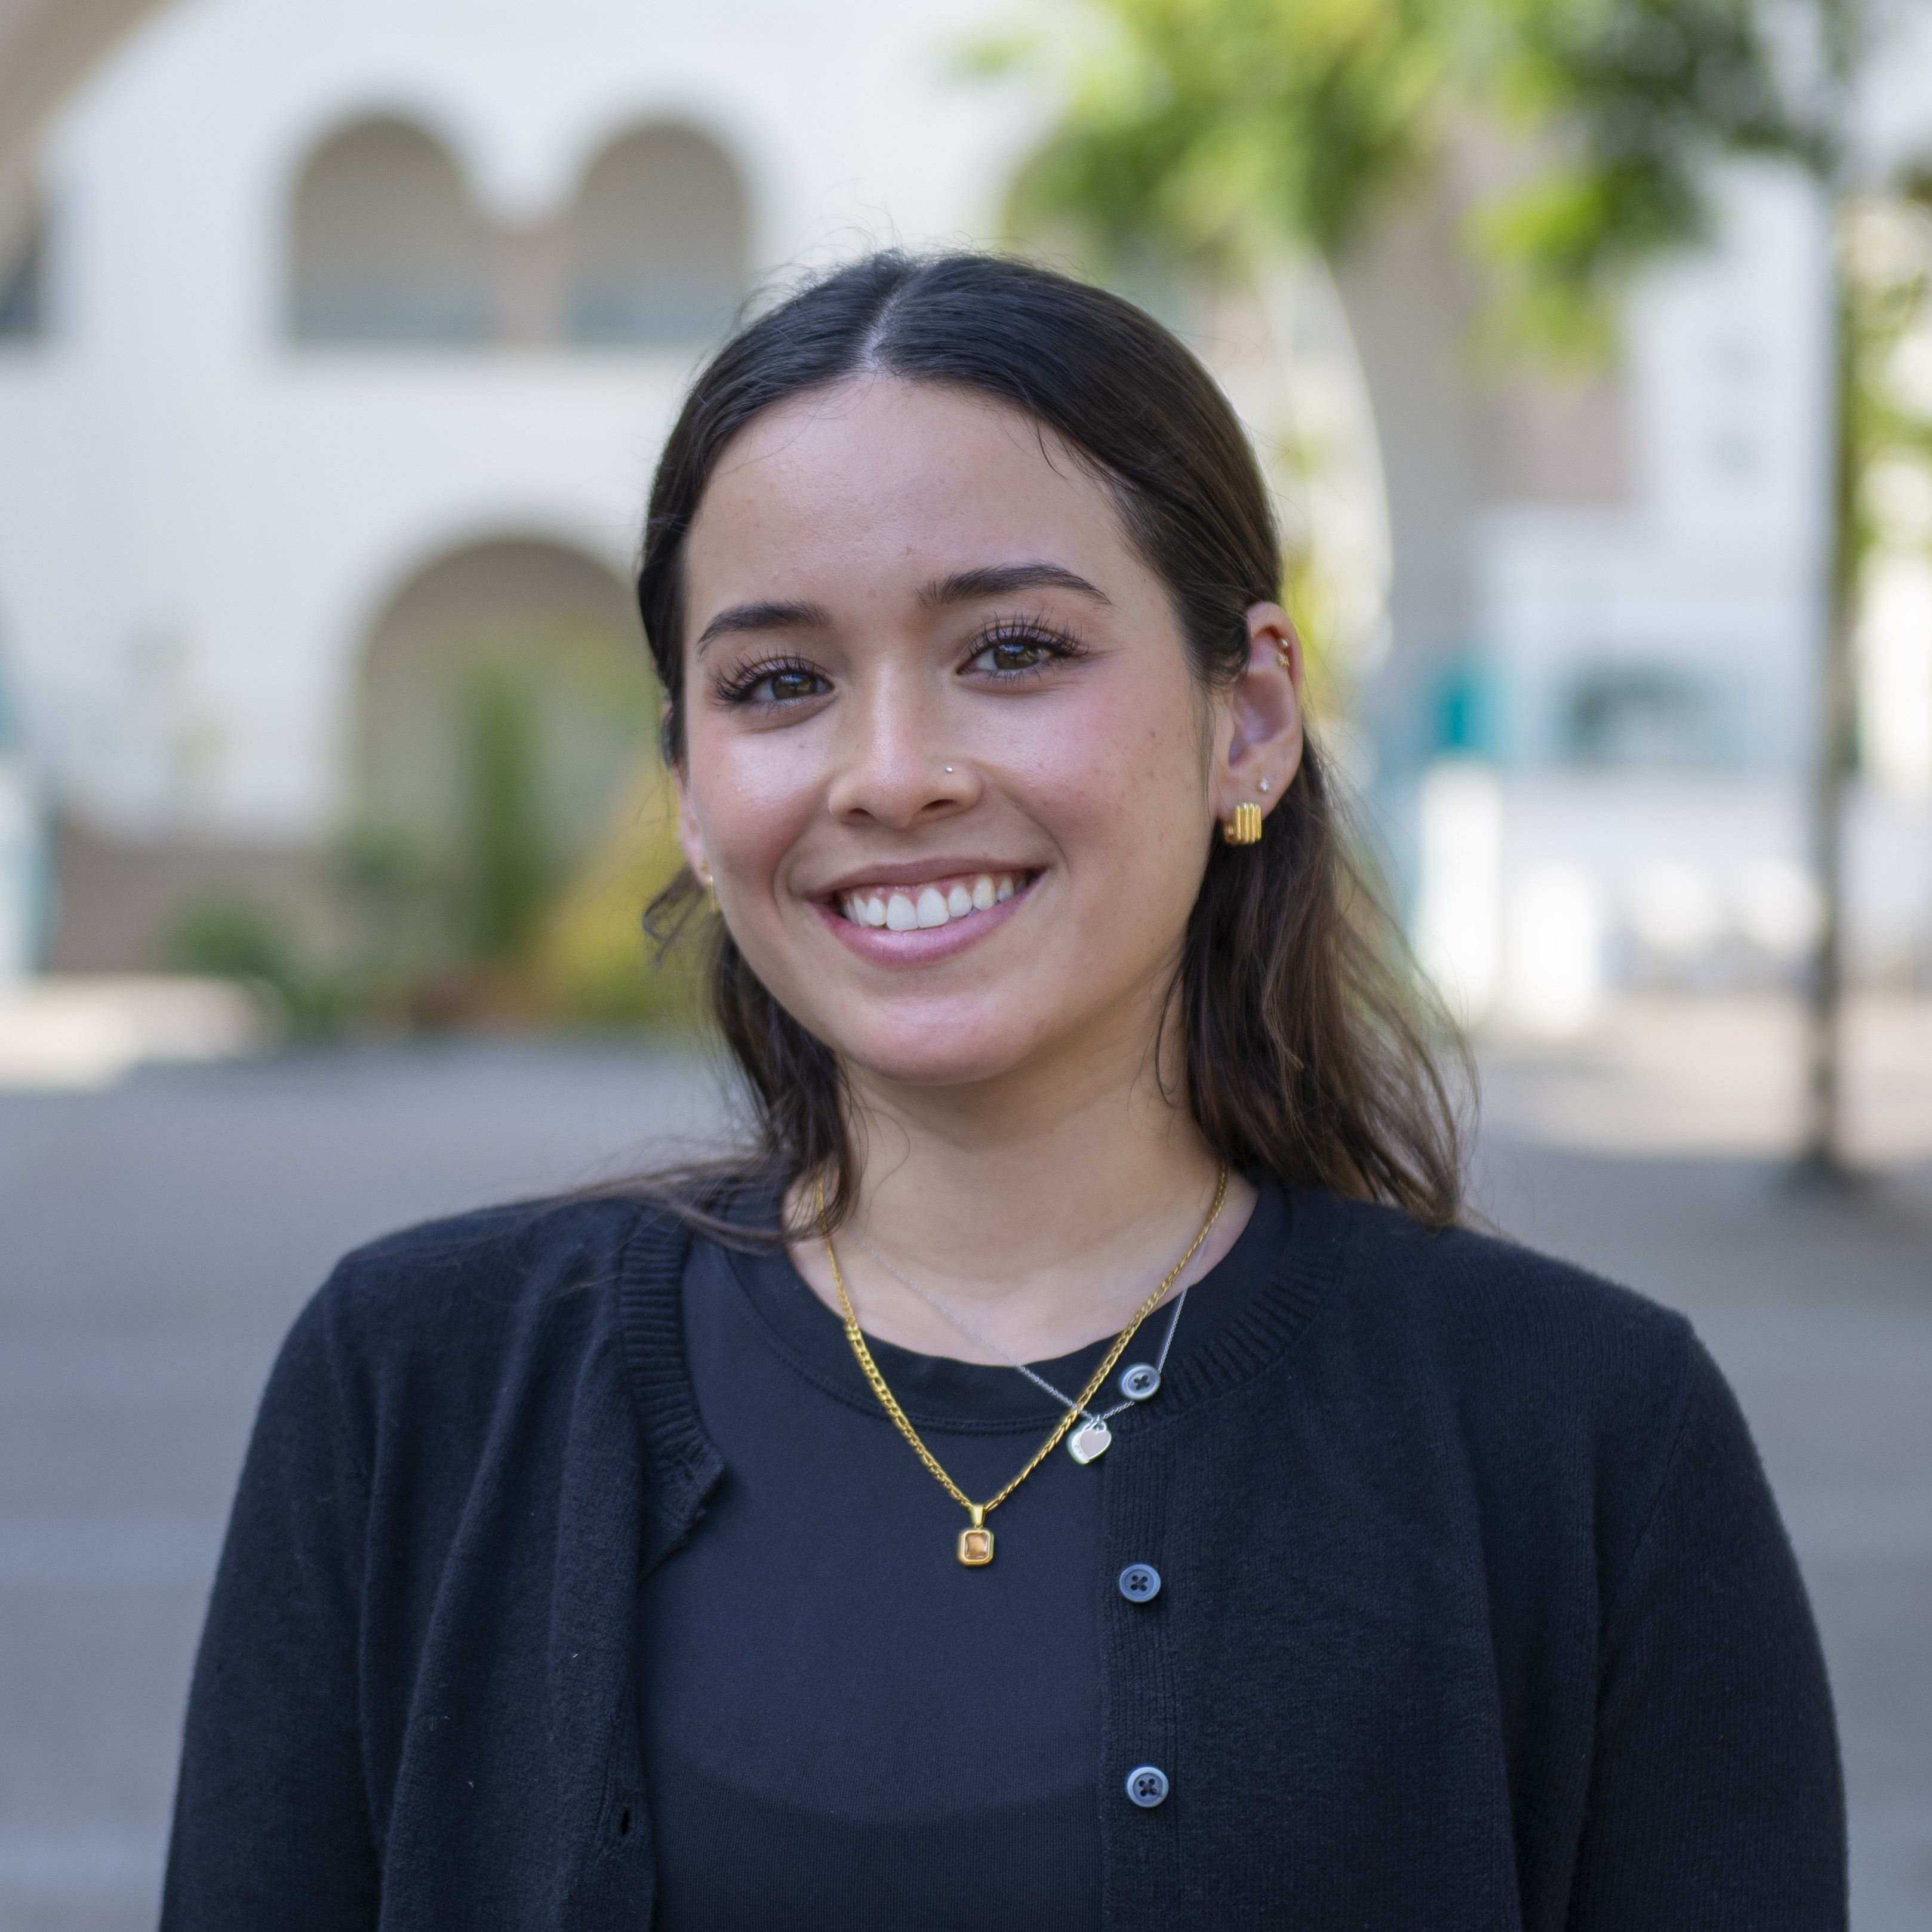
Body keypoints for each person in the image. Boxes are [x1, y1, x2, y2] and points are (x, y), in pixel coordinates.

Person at [161, 251, 1844, 1932]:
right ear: (687, 780)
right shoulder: (415, 1388)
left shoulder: (1586, 1432)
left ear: (1250, 717)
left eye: (1013, 649)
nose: (892, 773)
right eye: (775, 682)